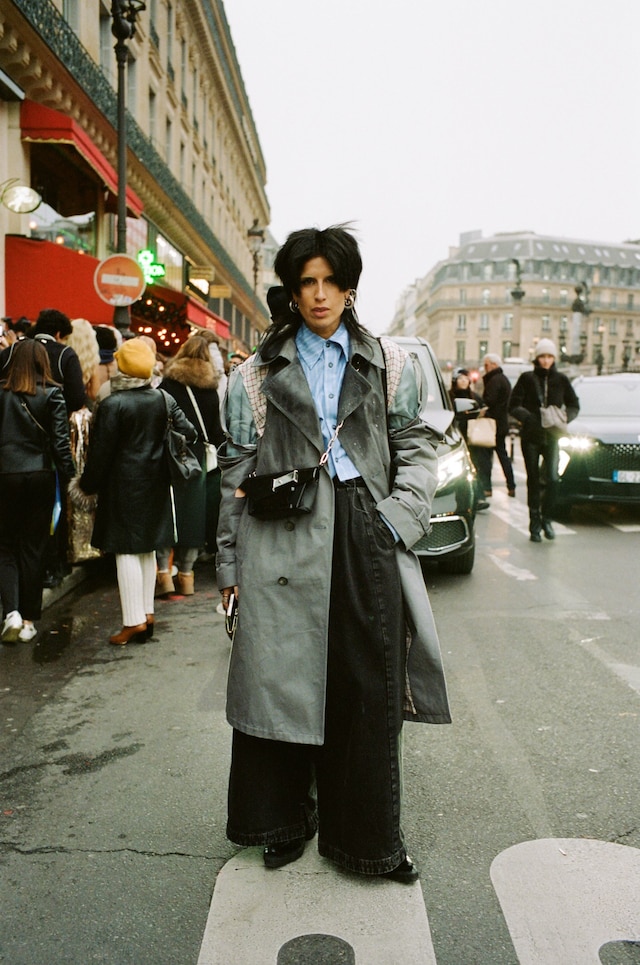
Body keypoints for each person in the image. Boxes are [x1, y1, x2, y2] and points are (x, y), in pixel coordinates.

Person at [216, 225, 450, 882]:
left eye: (330, 282)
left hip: (364, 527)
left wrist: (397, 518)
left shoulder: (389, 363)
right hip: (278, 534)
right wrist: (229, 567)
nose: (319, 295)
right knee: (276, 680)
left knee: (366, 687)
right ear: (293, 292)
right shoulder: (252, 375)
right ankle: (281, 821)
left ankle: (369, 840)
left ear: (350, 289)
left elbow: (418, 447)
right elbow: (234, 474)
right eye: (307, 283)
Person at [76, 338, 197, 644]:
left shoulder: (113, 404)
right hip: (156, 481)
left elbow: (100, 455)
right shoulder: (162, 398)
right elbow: (190, 432)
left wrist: (86, 485)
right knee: (146, 547)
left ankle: (134, 621)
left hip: (123, 486)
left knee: (126, 550)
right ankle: (146, 615)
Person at [0, 340, 76, 644]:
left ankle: (11, 612)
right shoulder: (53, 393)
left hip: (5, 474)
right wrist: (72, 478)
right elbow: (60, 443)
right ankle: (29, 621)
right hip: (40, 474)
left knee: (5, 545)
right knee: (33, 546)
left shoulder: (1, 392)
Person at [155, 335, 224, 595]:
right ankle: (186, 577)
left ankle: (164, 573)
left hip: (169, 454)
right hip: (197, 458)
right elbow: (215, 432)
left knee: (168, 512)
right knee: (193, 515)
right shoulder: (209, 389)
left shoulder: (167, 384)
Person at [509, 338, 580, 541]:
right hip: (531, 436)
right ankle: (534, 524)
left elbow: (574, 404)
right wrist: (528, 418)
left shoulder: (562, 379)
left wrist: (565, 417)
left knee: (553, 479)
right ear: (537, 358)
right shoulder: (527, 378)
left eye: (550, 356)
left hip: (553, 436)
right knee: (533, 480)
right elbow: (513, 404)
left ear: (554, 358)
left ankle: (547, 518)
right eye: (543, 356)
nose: (546, 360)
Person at [449, 367, 490, 510]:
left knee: (474, 466)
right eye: (461, 379)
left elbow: (484, 408)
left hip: (472, 437)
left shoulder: (474, 397)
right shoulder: (449, 396)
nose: (463, 381)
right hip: (455, 435)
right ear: (455, 381)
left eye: (466, 379)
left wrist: (479, 413)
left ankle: (477, 497)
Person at [480, 353, 516, 497]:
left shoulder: (494, 380)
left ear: (494, 365)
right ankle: (511, 485)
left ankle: (487, 487)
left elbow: (489, 401)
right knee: (503, 455)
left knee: (486, 457)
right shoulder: (503, 379)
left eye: (486, 365)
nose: (485, 367)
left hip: (492, 424)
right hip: (501, 423)